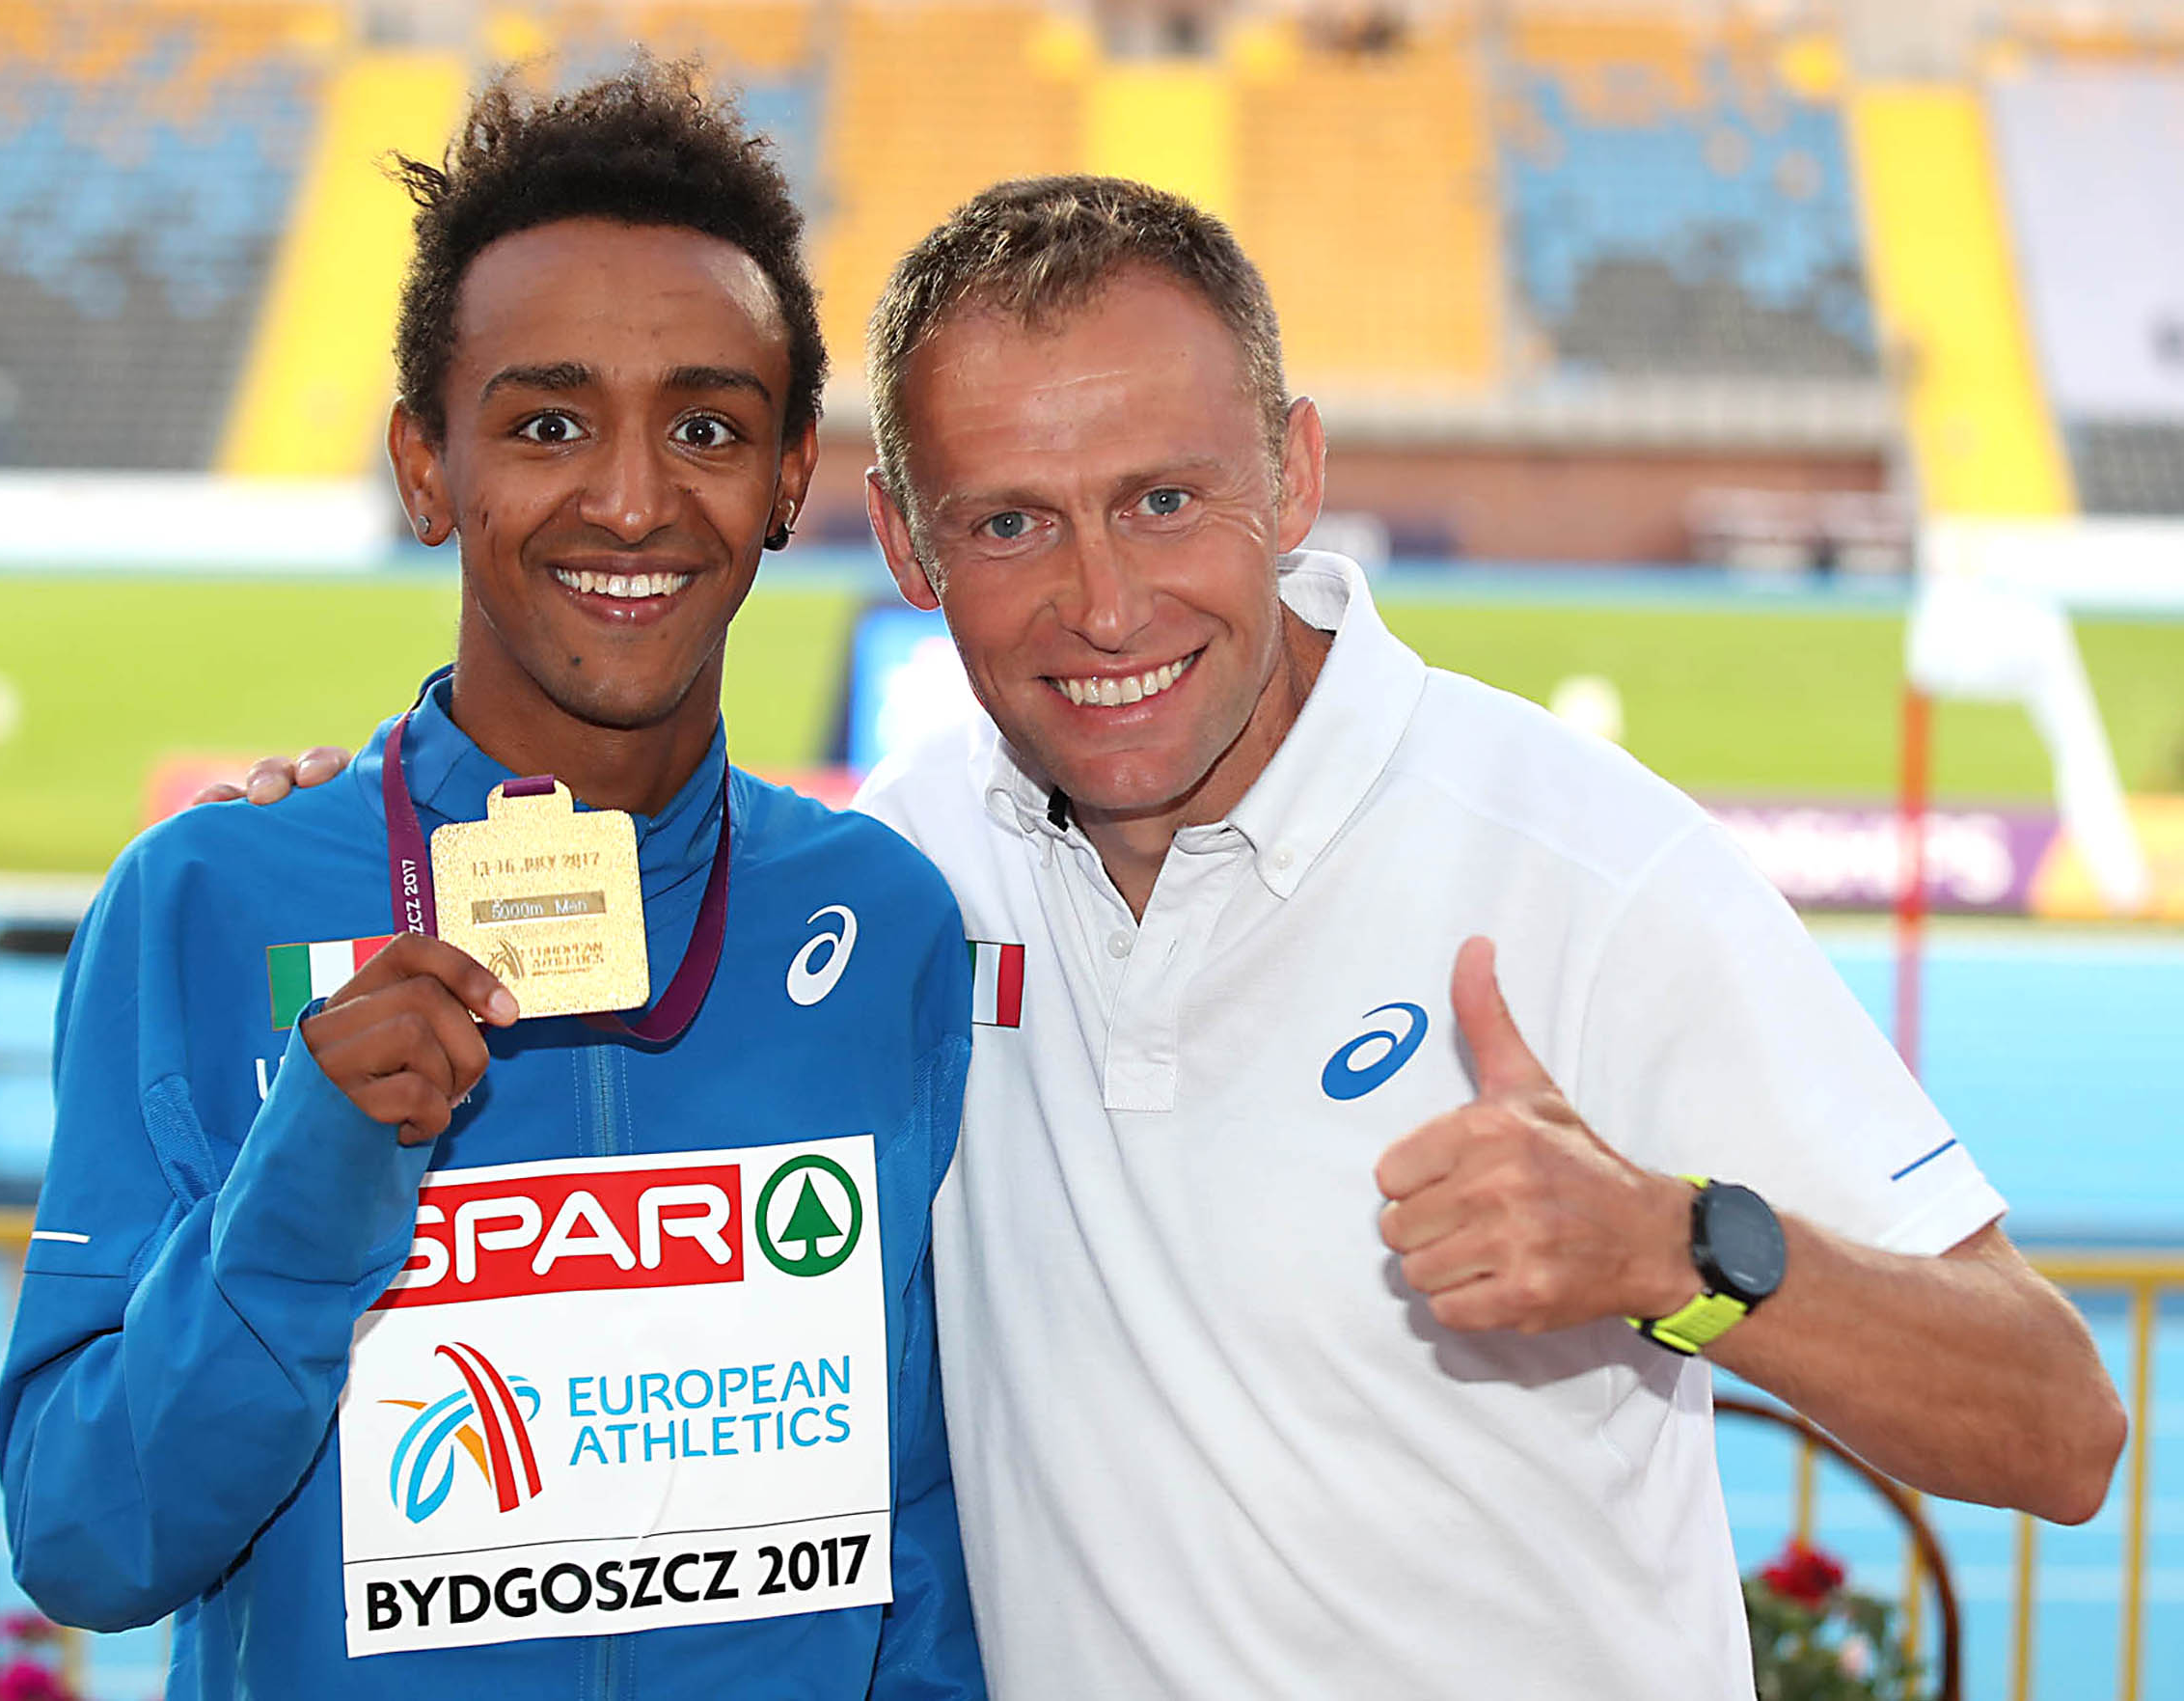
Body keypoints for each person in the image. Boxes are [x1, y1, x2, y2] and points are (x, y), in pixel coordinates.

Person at [230, 176, 2125, 1698]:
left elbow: (2057, 1428)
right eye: (1008, 524)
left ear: (1290, 474)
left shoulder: (1581, 866)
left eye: (1161, 500)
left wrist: (1672, 1248)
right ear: (903, 543)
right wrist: (321, 836)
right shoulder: (902, 874)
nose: (1103, 603)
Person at [0, 64, 985, 1700]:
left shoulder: (883, 924)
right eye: (545, 424)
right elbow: (88, 1540)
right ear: (425, 466)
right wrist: (303, 1189)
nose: (631, 499)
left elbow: (928, 1531)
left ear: (787, 477)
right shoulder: (204, 904)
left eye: (706, 427)